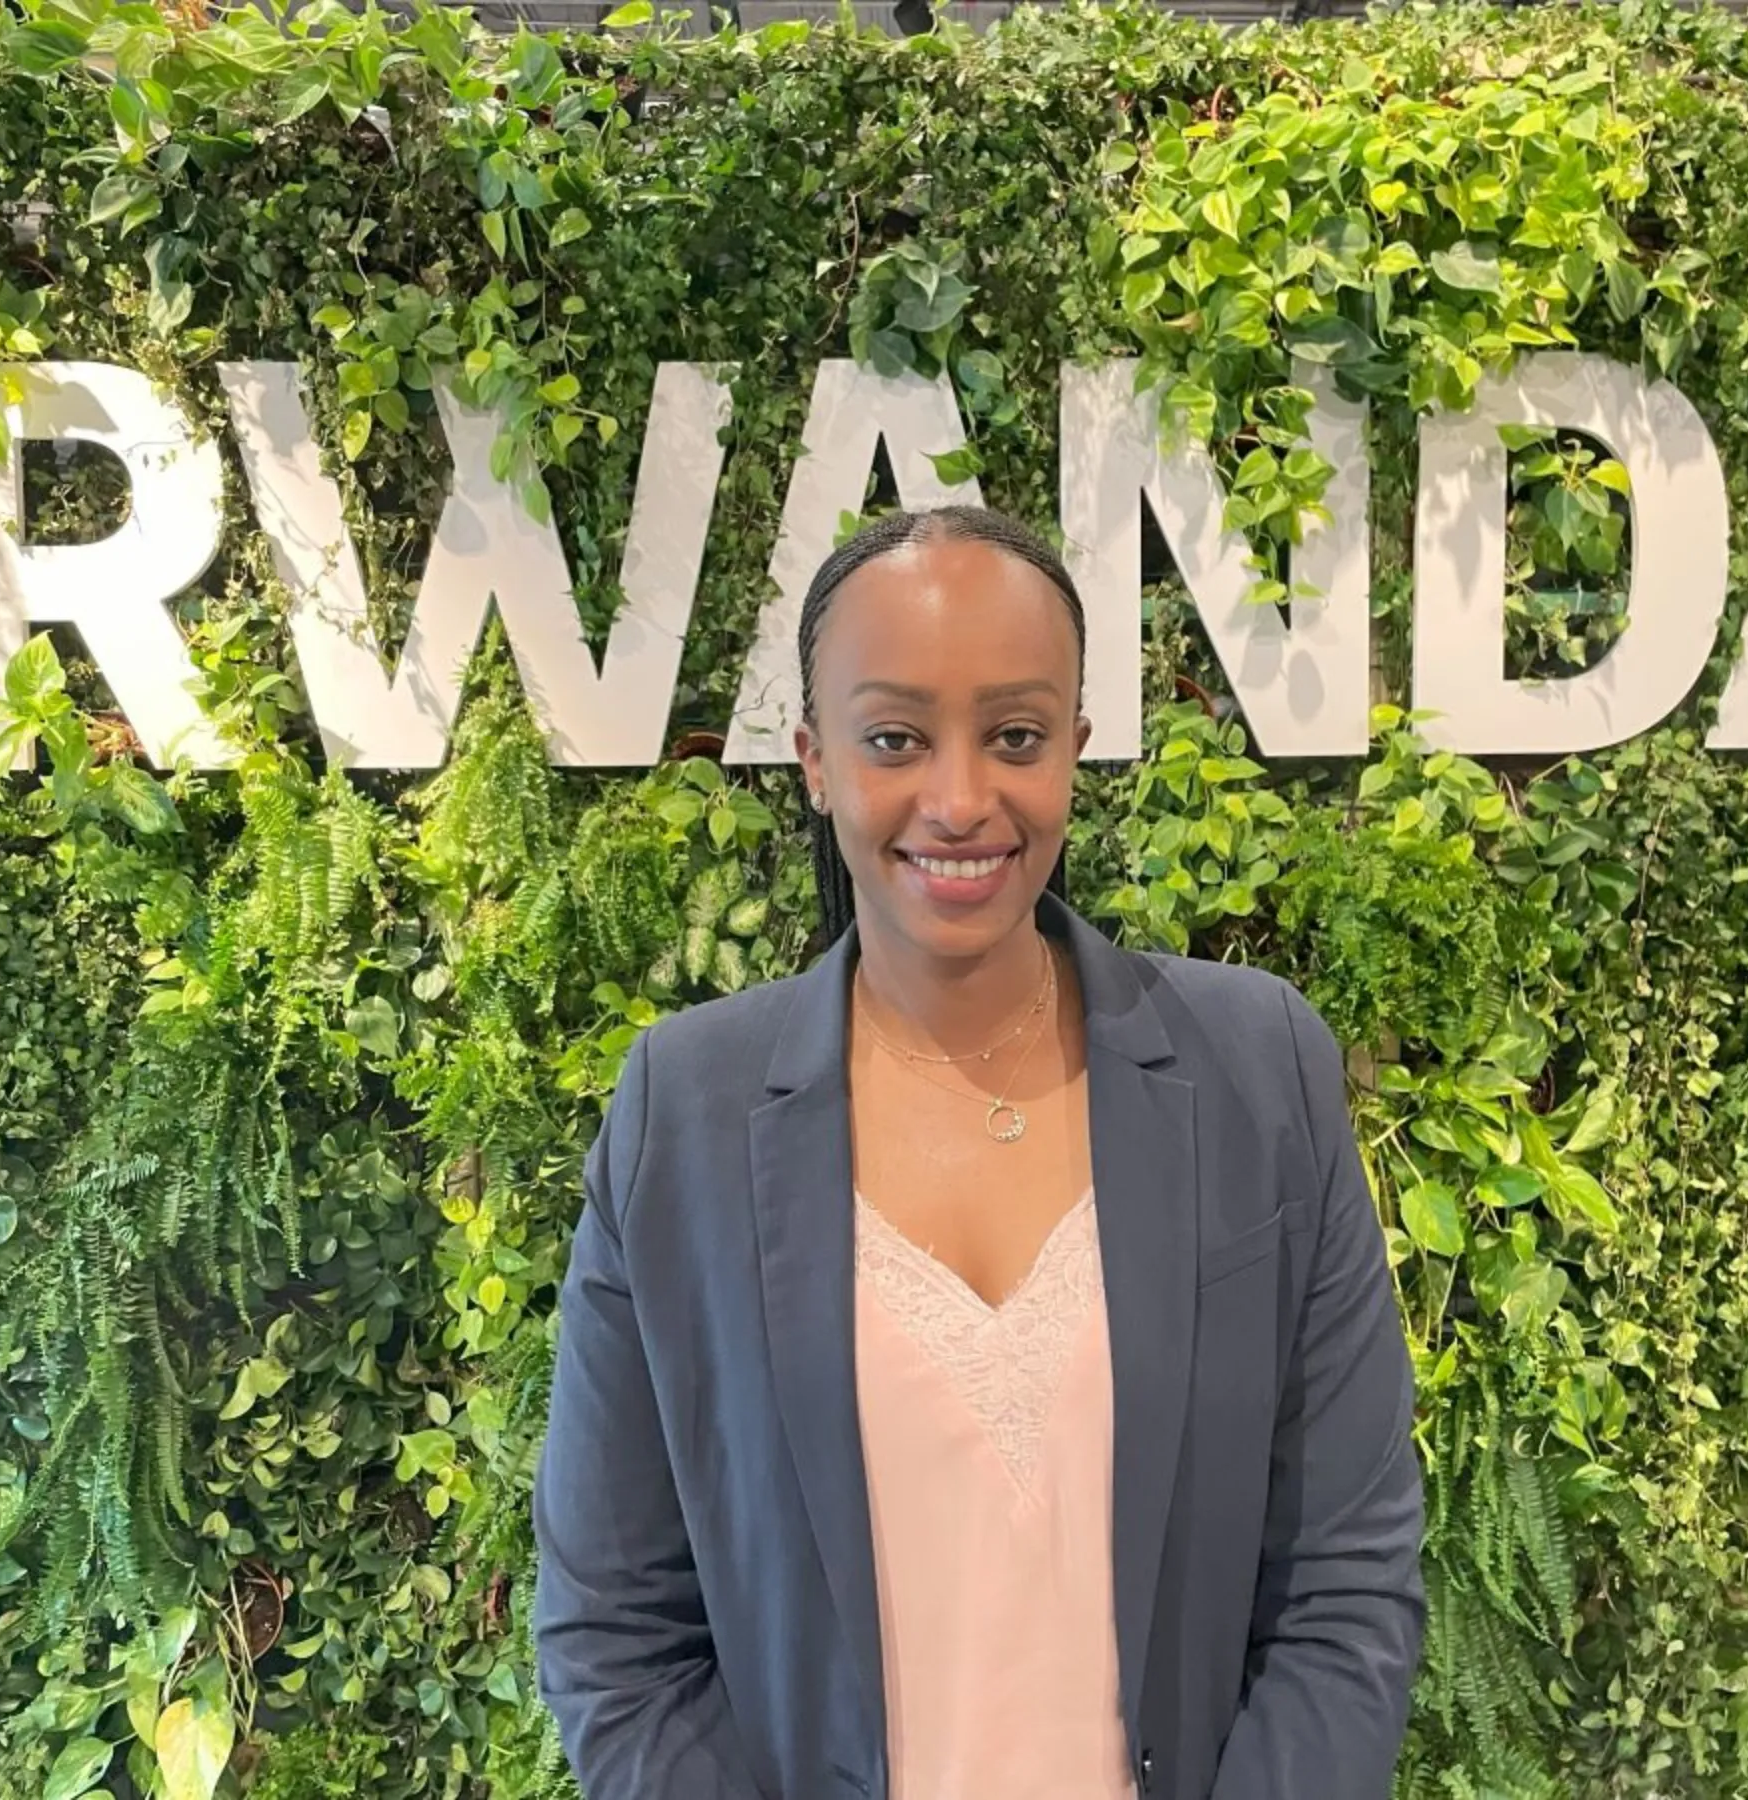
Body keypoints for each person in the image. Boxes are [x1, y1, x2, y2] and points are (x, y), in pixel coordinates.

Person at [532, 504, 1425, 1800]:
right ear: (816, 760)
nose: (960, 800)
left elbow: (1346, 1589)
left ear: (1074, 745)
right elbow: (618, 1640)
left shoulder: (1257, 1074)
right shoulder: (684, 1115)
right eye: (895, 738)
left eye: (1014, 736)